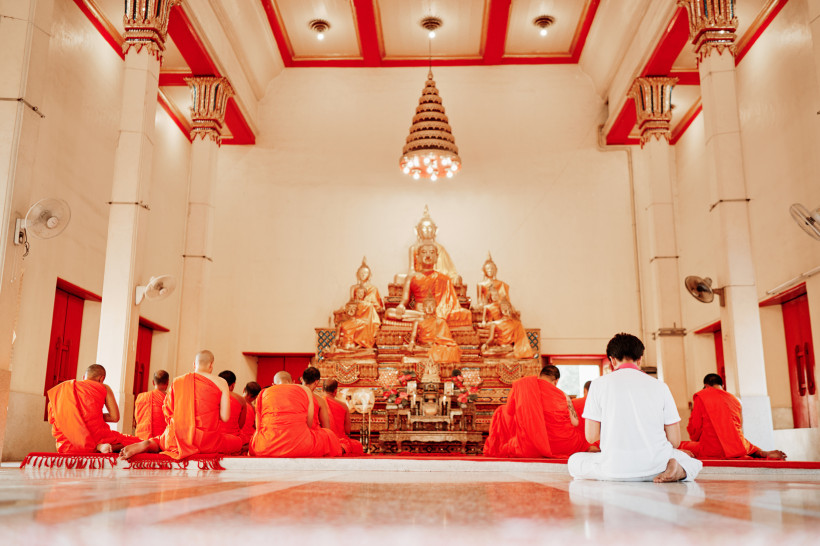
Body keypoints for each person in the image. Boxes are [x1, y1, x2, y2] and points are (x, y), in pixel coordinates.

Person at [568, 333, 703, 482]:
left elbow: (592, 436)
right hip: (655, 468)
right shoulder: (660, 386)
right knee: (689, 460)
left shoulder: (598, 385)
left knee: (575, 461)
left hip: (613, 471)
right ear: (639, 359)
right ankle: (680, 470)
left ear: (612, 360)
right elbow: (675, 441)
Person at [120, 350, 243, 460]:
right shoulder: (221, 383)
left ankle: (150, 444)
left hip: (177, 437)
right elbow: (225, 417)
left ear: (194, 364)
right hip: (206, 442)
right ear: (211, 365)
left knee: (162, 439)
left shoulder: (178, 381)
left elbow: (168, 412)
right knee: (237, 442)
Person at [484, 365, 592, 458]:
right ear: (556, 381)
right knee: (583, 441)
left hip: (529, 444)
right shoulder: (563, 395)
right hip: (561, 444)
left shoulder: (523, 385)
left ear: (539, 376)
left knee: (502, 418)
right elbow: (575, 422)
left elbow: (509, 412)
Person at [679, 374, 787, 460]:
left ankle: (754, 452)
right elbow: (738, 428)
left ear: (706, 386)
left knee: (680, 446)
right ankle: (758, 452)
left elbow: (695, 429)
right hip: (738, 446)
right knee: (742, 442)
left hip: (713, 449)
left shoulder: (702, 396)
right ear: (722, 386)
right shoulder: (735, 400)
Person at [47, 364, 141, 453]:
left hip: (66, 444)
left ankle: (94, 446)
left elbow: (52, 418)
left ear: (84, 377)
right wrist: (93, 415)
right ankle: (103, 447)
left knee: (72, 438)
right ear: (101, 378)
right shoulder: (104, 387)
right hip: (95, 437)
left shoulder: (63, 389)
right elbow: (115, 417)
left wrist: (80, 416)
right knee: (134, 441)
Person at [249, 369, 342, 457]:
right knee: (329, 435)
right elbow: (309, 424)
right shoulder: (305, 390)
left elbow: (258, 426)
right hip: (300, 446)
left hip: (266, 447)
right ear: (292, 382)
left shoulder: (263, 393)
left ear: (273, 384)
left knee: (254, 439)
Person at [385, 243, 471, 327]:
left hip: (438, 311)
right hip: (419, 312)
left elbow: (450, 303)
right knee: (389, 312)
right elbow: (404, 300)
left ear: (436, 257)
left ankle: (428, 318)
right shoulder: (411, 277)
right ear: (418, 257)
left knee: (467, 314)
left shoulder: (444, 279)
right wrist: (401, 306)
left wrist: (438, 310)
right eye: (424, 252)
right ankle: (425, 317)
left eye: (432, 252)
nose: (428, 255)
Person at [407, 294, 461, 364]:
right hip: (421, 347)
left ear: (435, 307)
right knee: (406, 348)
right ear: (423, 307)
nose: (429, 308)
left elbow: (445, 340)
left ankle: (431, 353)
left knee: (451, 349)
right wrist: (411, 342)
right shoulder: (417, 321)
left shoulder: (440, 321)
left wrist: (437, 344)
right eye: (427, 306)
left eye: (432, 306)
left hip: (435, 347)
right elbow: (413, 336)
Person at [323, 379, 365, 455]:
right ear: (335, 391)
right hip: (339, 440)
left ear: (322, 389)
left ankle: (329, 448)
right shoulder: (343, 406)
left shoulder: (317, 402)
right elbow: (347, 430)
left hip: (322, 439)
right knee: (357, 445)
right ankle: (339, 449)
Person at [133, 370, 170, 440]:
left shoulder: (141, 397)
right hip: (160, 440)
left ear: (153, 382)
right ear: (167, 382)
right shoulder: (169, 399)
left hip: (141, 439)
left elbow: (136, 420)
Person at [217, 370, 247, 443]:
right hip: (233, 439)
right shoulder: (241, 400)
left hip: (215, 438)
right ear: (233, 385)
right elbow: (241, 425)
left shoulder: (212, 396)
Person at [239, 381, 262, 446]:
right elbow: (256, 426)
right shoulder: (254, 409)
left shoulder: (235, 401)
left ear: (244, 389)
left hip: (237, 437)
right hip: (249, 440)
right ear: (255, 397)